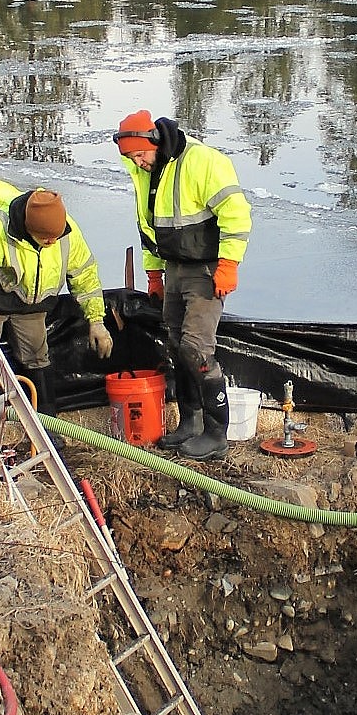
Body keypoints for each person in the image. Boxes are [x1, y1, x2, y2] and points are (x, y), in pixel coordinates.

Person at [113, 111, 251, 460]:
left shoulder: (203, 162)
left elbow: (236, 213)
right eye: (130, 158)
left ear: (154, 141)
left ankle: (216, 435)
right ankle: (190, 422)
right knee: (176, 345)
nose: (137, 162)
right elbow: (149, 227)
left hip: (206, 268)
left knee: (196, 350)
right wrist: (154, 274)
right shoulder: (146, 172)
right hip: (174, 266)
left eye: (139, 155)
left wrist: (229, 264)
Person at [0, 182, 113, 414]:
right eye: (45, 238)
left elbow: (85, 276)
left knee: (38, 358)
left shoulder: (67, 234)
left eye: (55, 238)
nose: (52, 243)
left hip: (33, 305)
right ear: (28, 229)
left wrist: (97, 321)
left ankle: (47, 423)